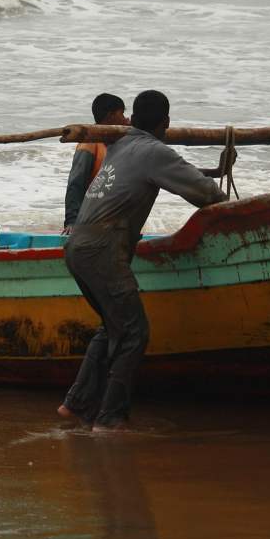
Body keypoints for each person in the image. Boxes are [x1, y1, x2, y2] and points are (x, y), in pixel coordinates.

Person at [57, 89, 235, 431]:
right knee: (134, 332)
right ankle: (110, 419)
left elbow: (171, 170)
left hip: (78, 246)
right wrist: (234, 211)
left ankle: (76, 405)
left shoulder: (122, 144)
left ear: (133, 118)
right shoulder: (153, 151)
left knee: (112, 327)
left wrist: (214, 169)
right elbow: (206, 195)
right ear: (165, 122)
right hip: (102, 251)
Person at [65, 93, 129, 232]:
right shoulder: (89, 144)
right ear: (110, 116)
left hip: (111, 219)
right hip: (90, 219)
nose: (124, 119)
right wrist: (71, 222)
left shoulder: (117, 142)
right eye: (122, 114)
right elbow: (75, 184)